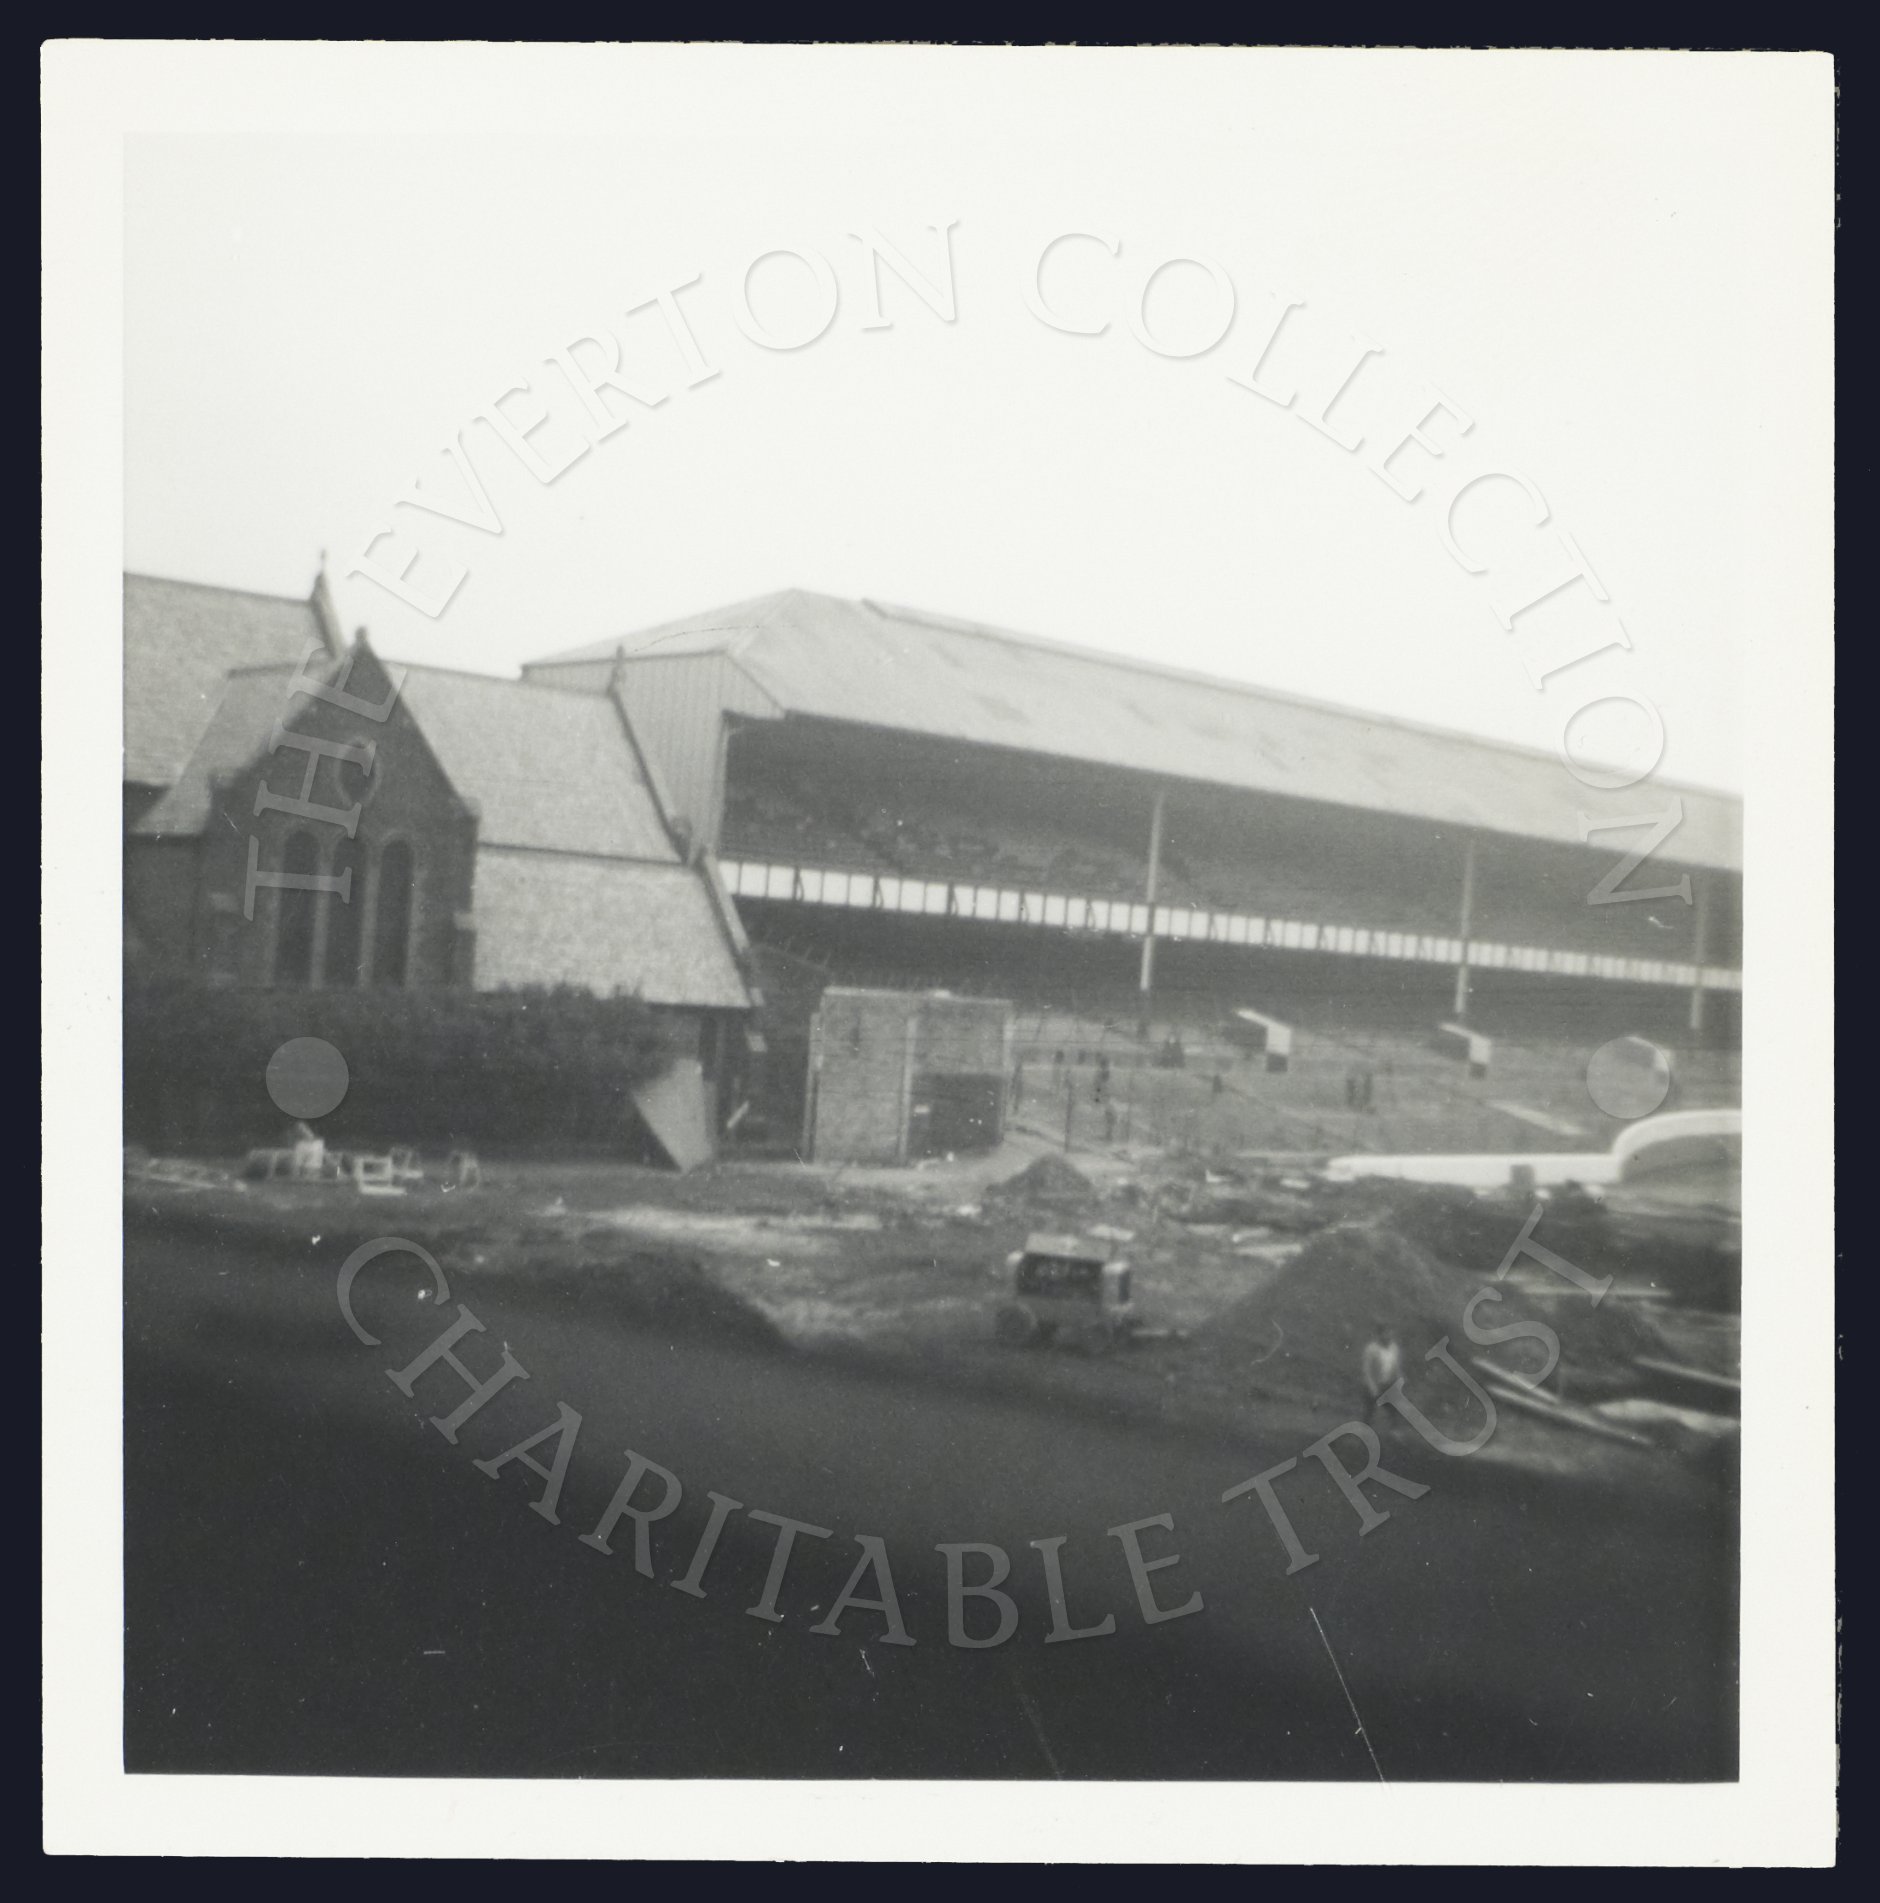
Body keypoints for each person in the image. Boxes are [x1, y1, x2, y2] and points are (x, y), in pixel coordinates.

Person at [1361, 1323, 1403, 1418]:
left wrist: (1399, 1379)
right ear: (1380, 1335)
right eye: (1386, 1333)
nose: (1388, 1335)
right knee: (1369, 1410)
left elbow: (1396, 1366)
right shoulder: (1372, 1349)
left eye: (1390, 1333)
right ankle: (1364, 1428)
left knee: (1393, 1408)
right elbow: (1367, 1369)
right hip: (1373, 1383)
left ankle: (1395, 1429)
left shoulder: (1394, 1348)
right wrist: (1372, 1386)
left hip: (1387, 1383)